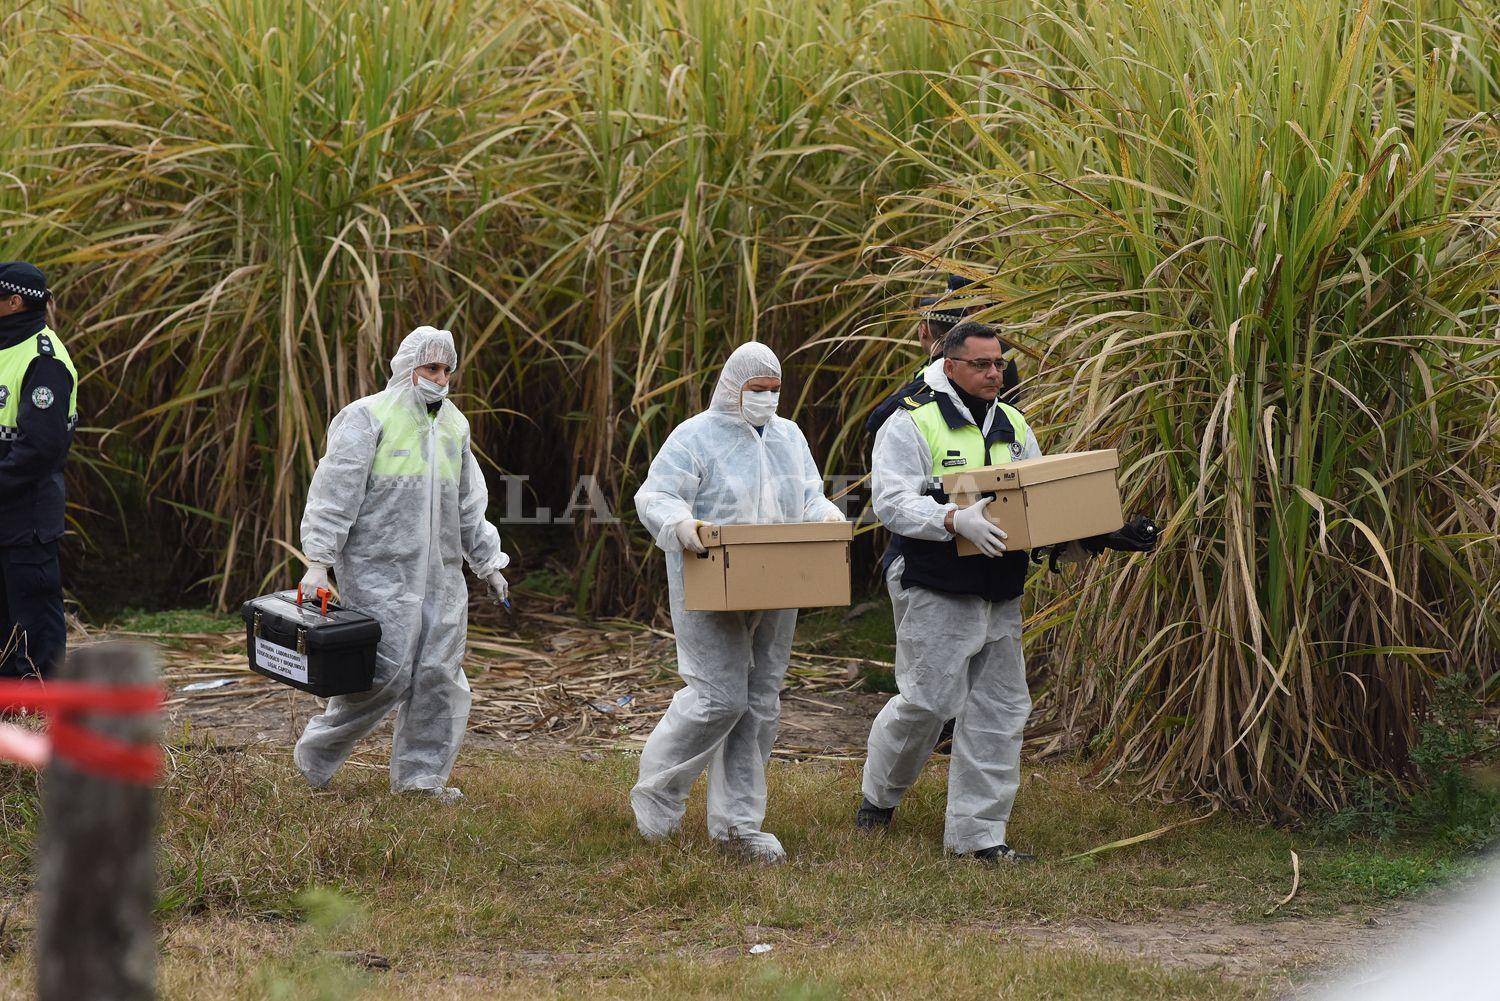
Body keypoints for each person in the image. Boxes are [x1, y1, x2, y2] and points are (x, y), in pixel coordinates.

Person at [633, 341, 844, 864]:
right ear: (733, 389)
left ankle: (738, 826)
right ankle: (656, 802)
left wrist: (825, 516)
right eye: (758, 390)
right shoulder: (695, 436)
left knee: (759, 702)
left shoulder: (790, 437)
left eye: (775, 390)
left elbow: (810, 494)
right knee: (716, 698)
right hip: (710, 578)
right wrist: (684, 527)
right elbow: (655, 496)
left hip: (779, 582)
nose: (767, 399)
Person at [293, 326, 509, 803]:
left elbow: (469, 503)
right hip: (379, 573)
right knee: (381, 676)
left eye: (447, 370)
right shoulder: (367, 417)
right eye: (431, 368)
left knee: (439, 676)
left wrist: (488, 563)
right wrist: (318, 562)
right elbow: (335, 492)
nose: (441, 378)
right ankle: (314, 759)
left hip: (442, 577)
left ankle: (420, 781)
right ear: (407, 367)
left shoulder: (454, 425)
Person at [856, 320, 1044, 862]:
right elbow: (890, 501)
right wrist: (951, 519)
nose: (993, 373)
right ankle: (879, 794)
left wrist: (1088, 537)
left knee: (1000, 708)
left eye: (999, 363)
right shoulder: (911, 420)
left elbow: (1035, 498)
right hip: (932, 579)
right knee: (929, 701)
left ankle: (978, 837)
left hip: (1000, 584)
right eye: (981, 364)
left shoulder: (1012, 422)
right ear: (950, 364)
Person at [0, 263, 78, 679]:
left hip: (27, 518)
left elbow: (39, 450)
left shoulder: (44, 361)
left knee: (34, 626)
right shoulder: (4, 348)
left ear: (14, 302)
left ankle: (38, 715)